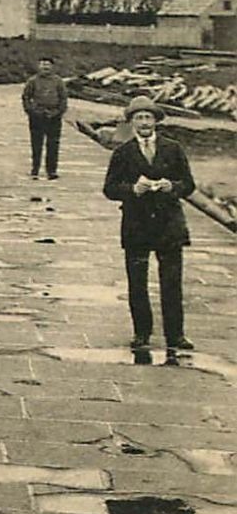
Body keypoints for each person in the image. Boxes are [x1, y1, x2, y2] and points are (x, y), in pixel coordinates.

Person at [102, 96, 196, 351]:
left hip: (169, 225)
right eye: (139, 118)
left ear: (156, 121)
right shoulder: (123, 152)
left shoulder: (173, 148)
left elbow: (188, 184)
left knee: (172, 282)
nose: (144, 123)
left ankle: (175, 336)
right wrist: (132, 189)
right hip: (137, 224)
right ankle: (142, 333)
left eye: (148, 117)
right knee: (137, 282)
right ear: (131, 122)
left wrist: (172, 186)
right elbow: (109, 189)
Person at [22, 56, 68, 179]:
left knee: (53, 144)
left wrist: (57, 112)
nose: (45, 67)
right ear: (38, 67)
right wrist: (32, 112)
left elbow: (63, 99)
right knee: (36, 144)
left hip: (54, 117)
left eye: (48, 65)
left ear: (52, 67)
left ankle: (52, 170)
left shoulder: (58, 81)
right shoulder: (32, 81)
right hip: (37, 116)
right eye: (43, 65)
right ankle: (35, 168)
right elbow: (26, 97)